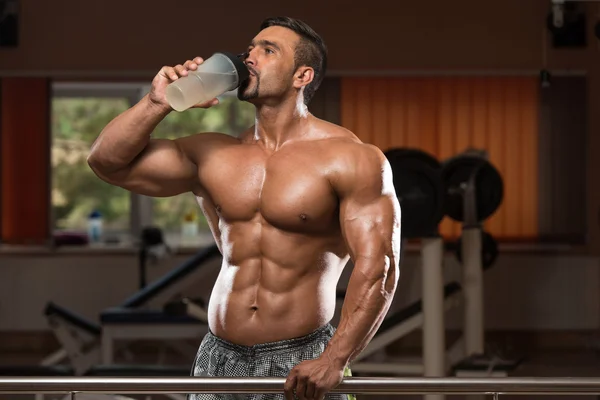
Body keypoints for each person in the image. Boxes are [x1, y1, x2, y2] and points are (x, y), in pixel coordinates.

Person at [88, 16, 401, 400]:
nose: (249, 56)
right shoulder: (214, 154)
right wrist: (158, 102)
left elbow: (379, 268)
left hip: (301, 360)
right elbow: (106, 162)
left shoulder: (351, 158)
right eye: (250, 47)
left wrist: (335, 359)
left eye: (268, 51)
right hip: (218, 357)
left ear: (302, 76)